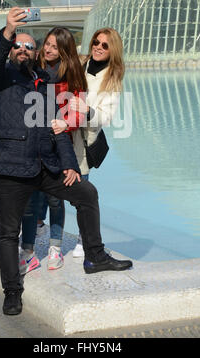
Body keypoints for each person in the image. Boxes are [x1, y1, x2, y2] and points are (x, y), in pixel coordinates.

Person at [0, 8, 133, 316]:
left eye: (29, 46)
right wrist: (8, 30)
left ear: (36, 54)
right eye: (17, 45)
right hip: (8, 167)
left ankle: (95, 255)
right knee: (8, 232)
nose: (23, 49)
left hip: (42, 166)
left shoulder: (44, 80)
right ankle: (12, 291)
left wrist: (70, 166)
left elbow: (56, 127)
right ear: (10, 49)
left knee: (87, 195)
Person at [20, 26, 87, 272]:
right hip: (32, 145)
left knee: (56, 200)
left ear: (64, 51)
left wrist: (65, 122)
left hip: (58, 144)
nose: (48, 49)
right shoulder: (33, 69)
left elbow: (79, 112)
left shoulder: (71, 77)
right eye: (47, 44)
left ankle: (55, 248)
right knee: (31, 197)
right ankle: (26, 248)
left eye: (55, 47)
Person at [69, 27, 126, 257]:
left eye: (105, 45)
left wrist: (88, 111)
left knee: (83, 193)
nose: (98, 47)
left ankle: (84, 239)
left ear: (113, 50)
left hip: (83, 141)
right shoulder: (80, 64)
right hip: (63, 135)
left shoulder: (112, 79)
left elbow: (107, 117)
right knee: (54, 192)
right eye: (96, 42)